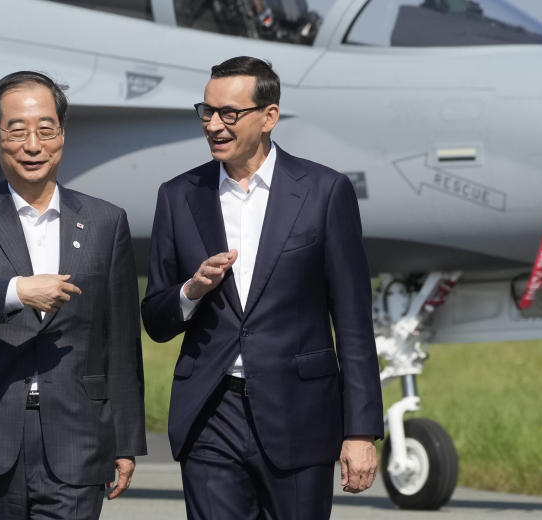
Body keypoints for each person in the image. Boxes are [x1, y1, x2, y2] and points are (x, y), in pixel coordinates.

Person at [141, 56, 383, 519]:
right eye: (206, 112)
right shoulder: (177, 195)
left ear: (269, 116)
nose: (214, 124)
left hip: (300, 414)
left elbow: (353, 322)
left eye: (229, 113)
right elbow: (154, 317)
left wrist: (360, 431)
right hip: (211, 415)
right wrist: (190, 291)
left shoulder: (324, 191)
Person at [0, 71, 146, 519]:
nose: (33, 145)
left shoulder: (105, 221)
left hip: (76, 431)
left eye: (46, 129)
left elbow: (119, 340)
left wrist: (125, 441)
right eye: (17, 131)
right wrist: (17, 291)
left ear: (63, 132)